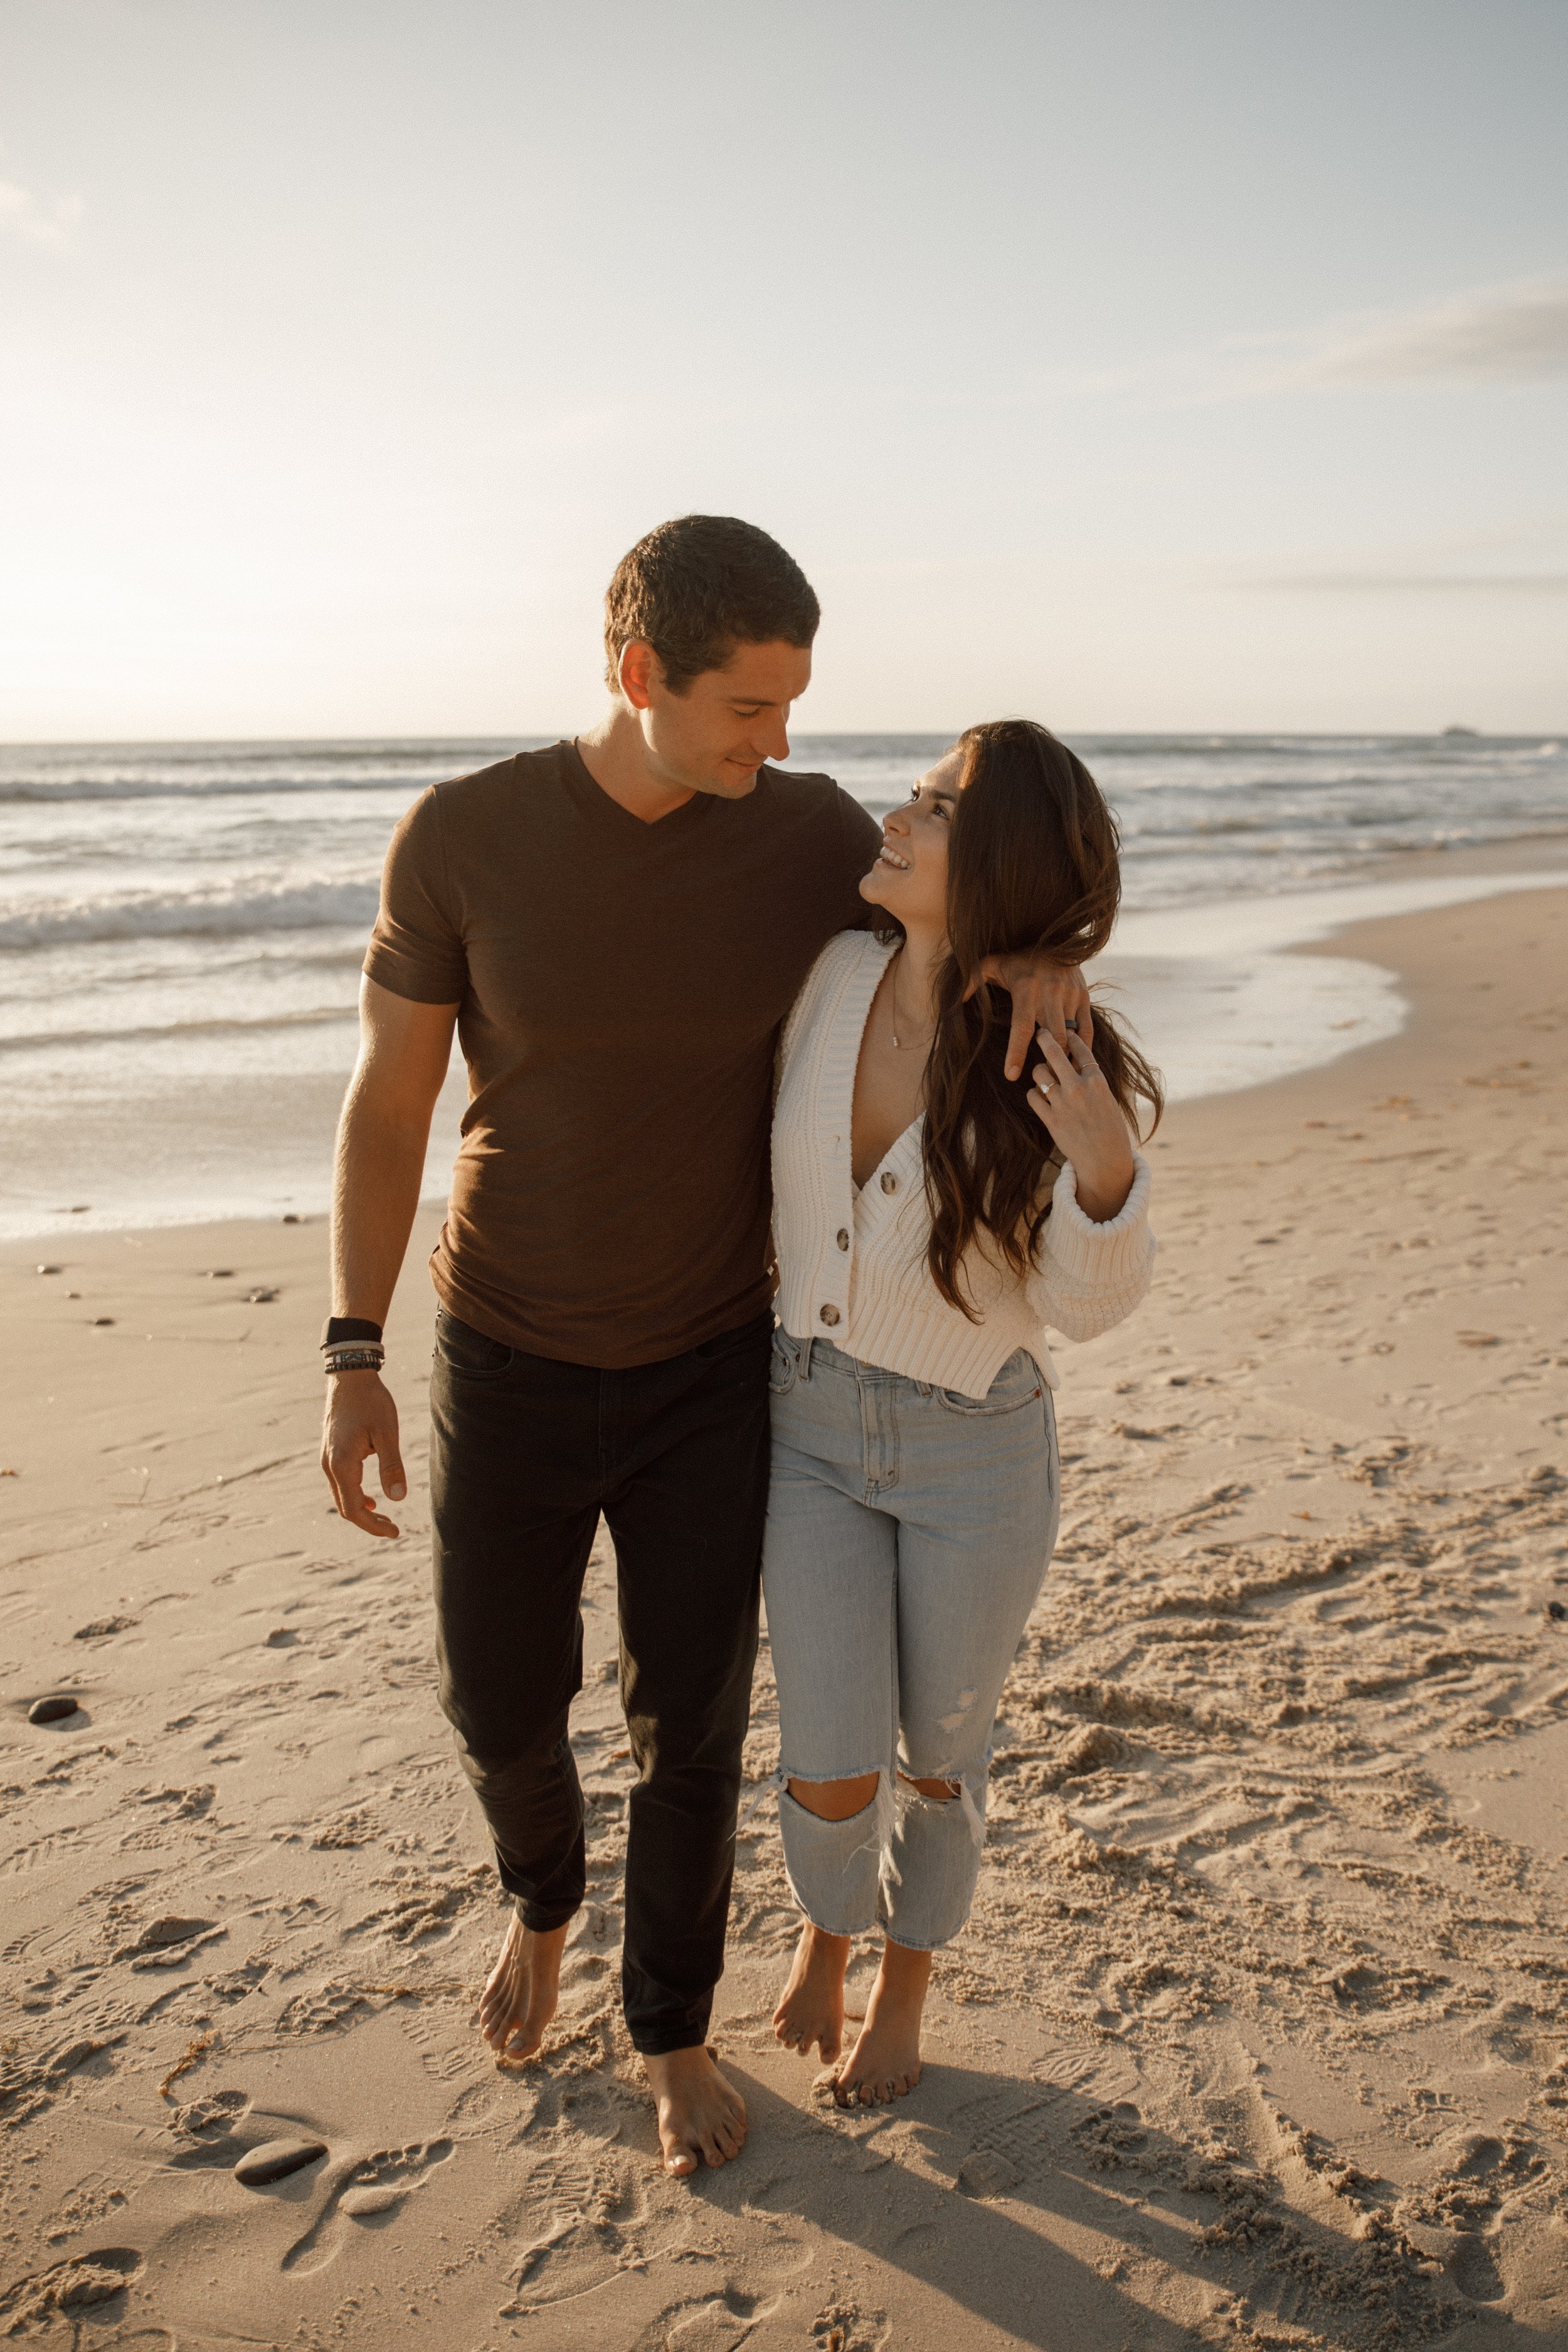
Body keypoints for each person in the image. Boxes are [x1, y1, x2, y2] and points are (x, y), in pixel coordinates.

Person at [319, 517, 1093, 2177]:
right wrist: (352, 1343)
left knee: (694, 1726)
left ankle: (667, 2024)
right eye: (751, 706)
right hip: (507, 1349)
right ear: (636, 676)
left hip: (710, 1369)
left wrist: (1042, 952)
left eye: (797, 703)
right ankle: (541, 1894)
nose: (786, 744)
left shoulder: (797, 830)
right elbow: (389, 1105)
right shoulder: (461, 838)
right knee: (497, 1700)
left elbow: (967, 891)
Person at [764, 719, 1160, 2105]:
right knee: (824, 1755)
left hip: (970, 1450)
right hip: (805, 1429)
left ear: (985, 861)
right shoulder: (828, 975)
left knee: (939, 1756)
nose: (898, 815)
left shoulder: (1048, 1043)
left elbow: (1081, 1303)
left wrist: (1104, 1171)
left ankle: (902, 1985)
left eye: (931, 806)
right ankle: (823, 1924)